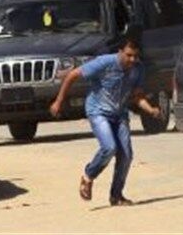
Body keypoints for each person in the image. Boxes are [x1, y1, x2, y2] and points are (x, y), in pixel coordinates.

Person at [49, 31, 161, 206]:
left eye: (135, 56)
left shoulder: (138, 69)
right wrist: (59, 101)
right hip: (98, 111)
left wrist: (151, 109)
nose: (132, 60)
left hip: (120, 113)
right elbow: (72, 75)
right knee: (109, 147)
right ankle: (88, 176)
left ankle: (116, 195)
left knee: (126, 155)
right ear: (120, 51)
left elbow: (138, 96)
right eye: (128, 55)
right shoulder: (105, 63)